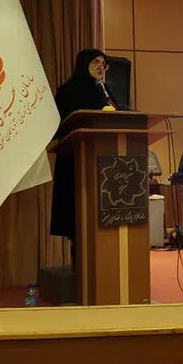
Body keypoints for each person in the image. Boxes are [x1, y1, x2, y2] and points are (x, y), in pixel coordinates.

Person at [50, 49, 123, 252]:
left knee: (99, 220)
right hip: (76, 160)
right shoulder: (67, 91)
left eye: (103, 63)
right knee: (77, 219)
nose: (101, 67)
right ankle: (79, 263)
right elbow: (57, 126)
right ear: (83, 64)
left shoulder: (104, 91)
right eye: (95, 62)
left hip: (104, 163)